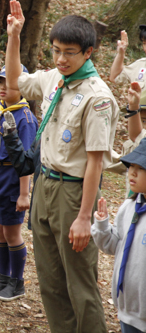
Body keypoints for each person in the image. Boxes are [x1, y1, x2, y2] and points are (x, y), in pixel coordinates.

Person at [4, 0, 119, 332]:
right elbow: (15, 81)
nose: (60, 59)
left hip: (74, 193)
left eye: (69, 52)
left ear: (88, 52)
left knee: (79, 284)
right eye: (56, 50)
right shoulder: (54, 78)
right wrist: (14, 36)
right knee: (50, 282)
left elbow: (95, 162)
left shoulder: (97, 97)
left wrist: (85, 218)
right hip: (45, 185)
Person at [0, 65, 38, 302]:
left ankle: (17, 282)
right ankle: (3, 276)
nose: (3, 87)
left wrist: (24, 193)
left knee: (12, 231)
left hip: (12, 178)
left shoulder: (24, 118)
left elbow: (26, 160)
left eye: (9, 82)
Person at [92, 139, 146, 333]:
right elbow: (113, 246)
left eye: (141, 168)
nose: (132, 172)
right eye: (131, 166)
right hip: (126, 311)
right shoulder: (129, 207)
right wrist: (102, 224)